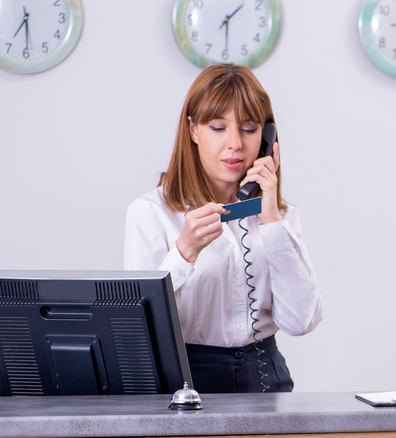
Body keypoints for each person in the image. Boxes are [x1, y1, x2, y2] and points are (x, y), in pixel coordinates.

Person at [124, 63, 323, 393]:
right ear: (193, 130)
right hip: (187, 377)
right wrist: (183, 252)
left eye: (248, 129)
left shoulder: (280, 215)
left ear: (266, 137)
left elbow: (301, 321)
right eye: (218, 127)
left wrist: (273, 221)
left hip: (264, 373)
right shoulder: (151, 212)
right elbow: (135, 328)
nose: (235, 144)